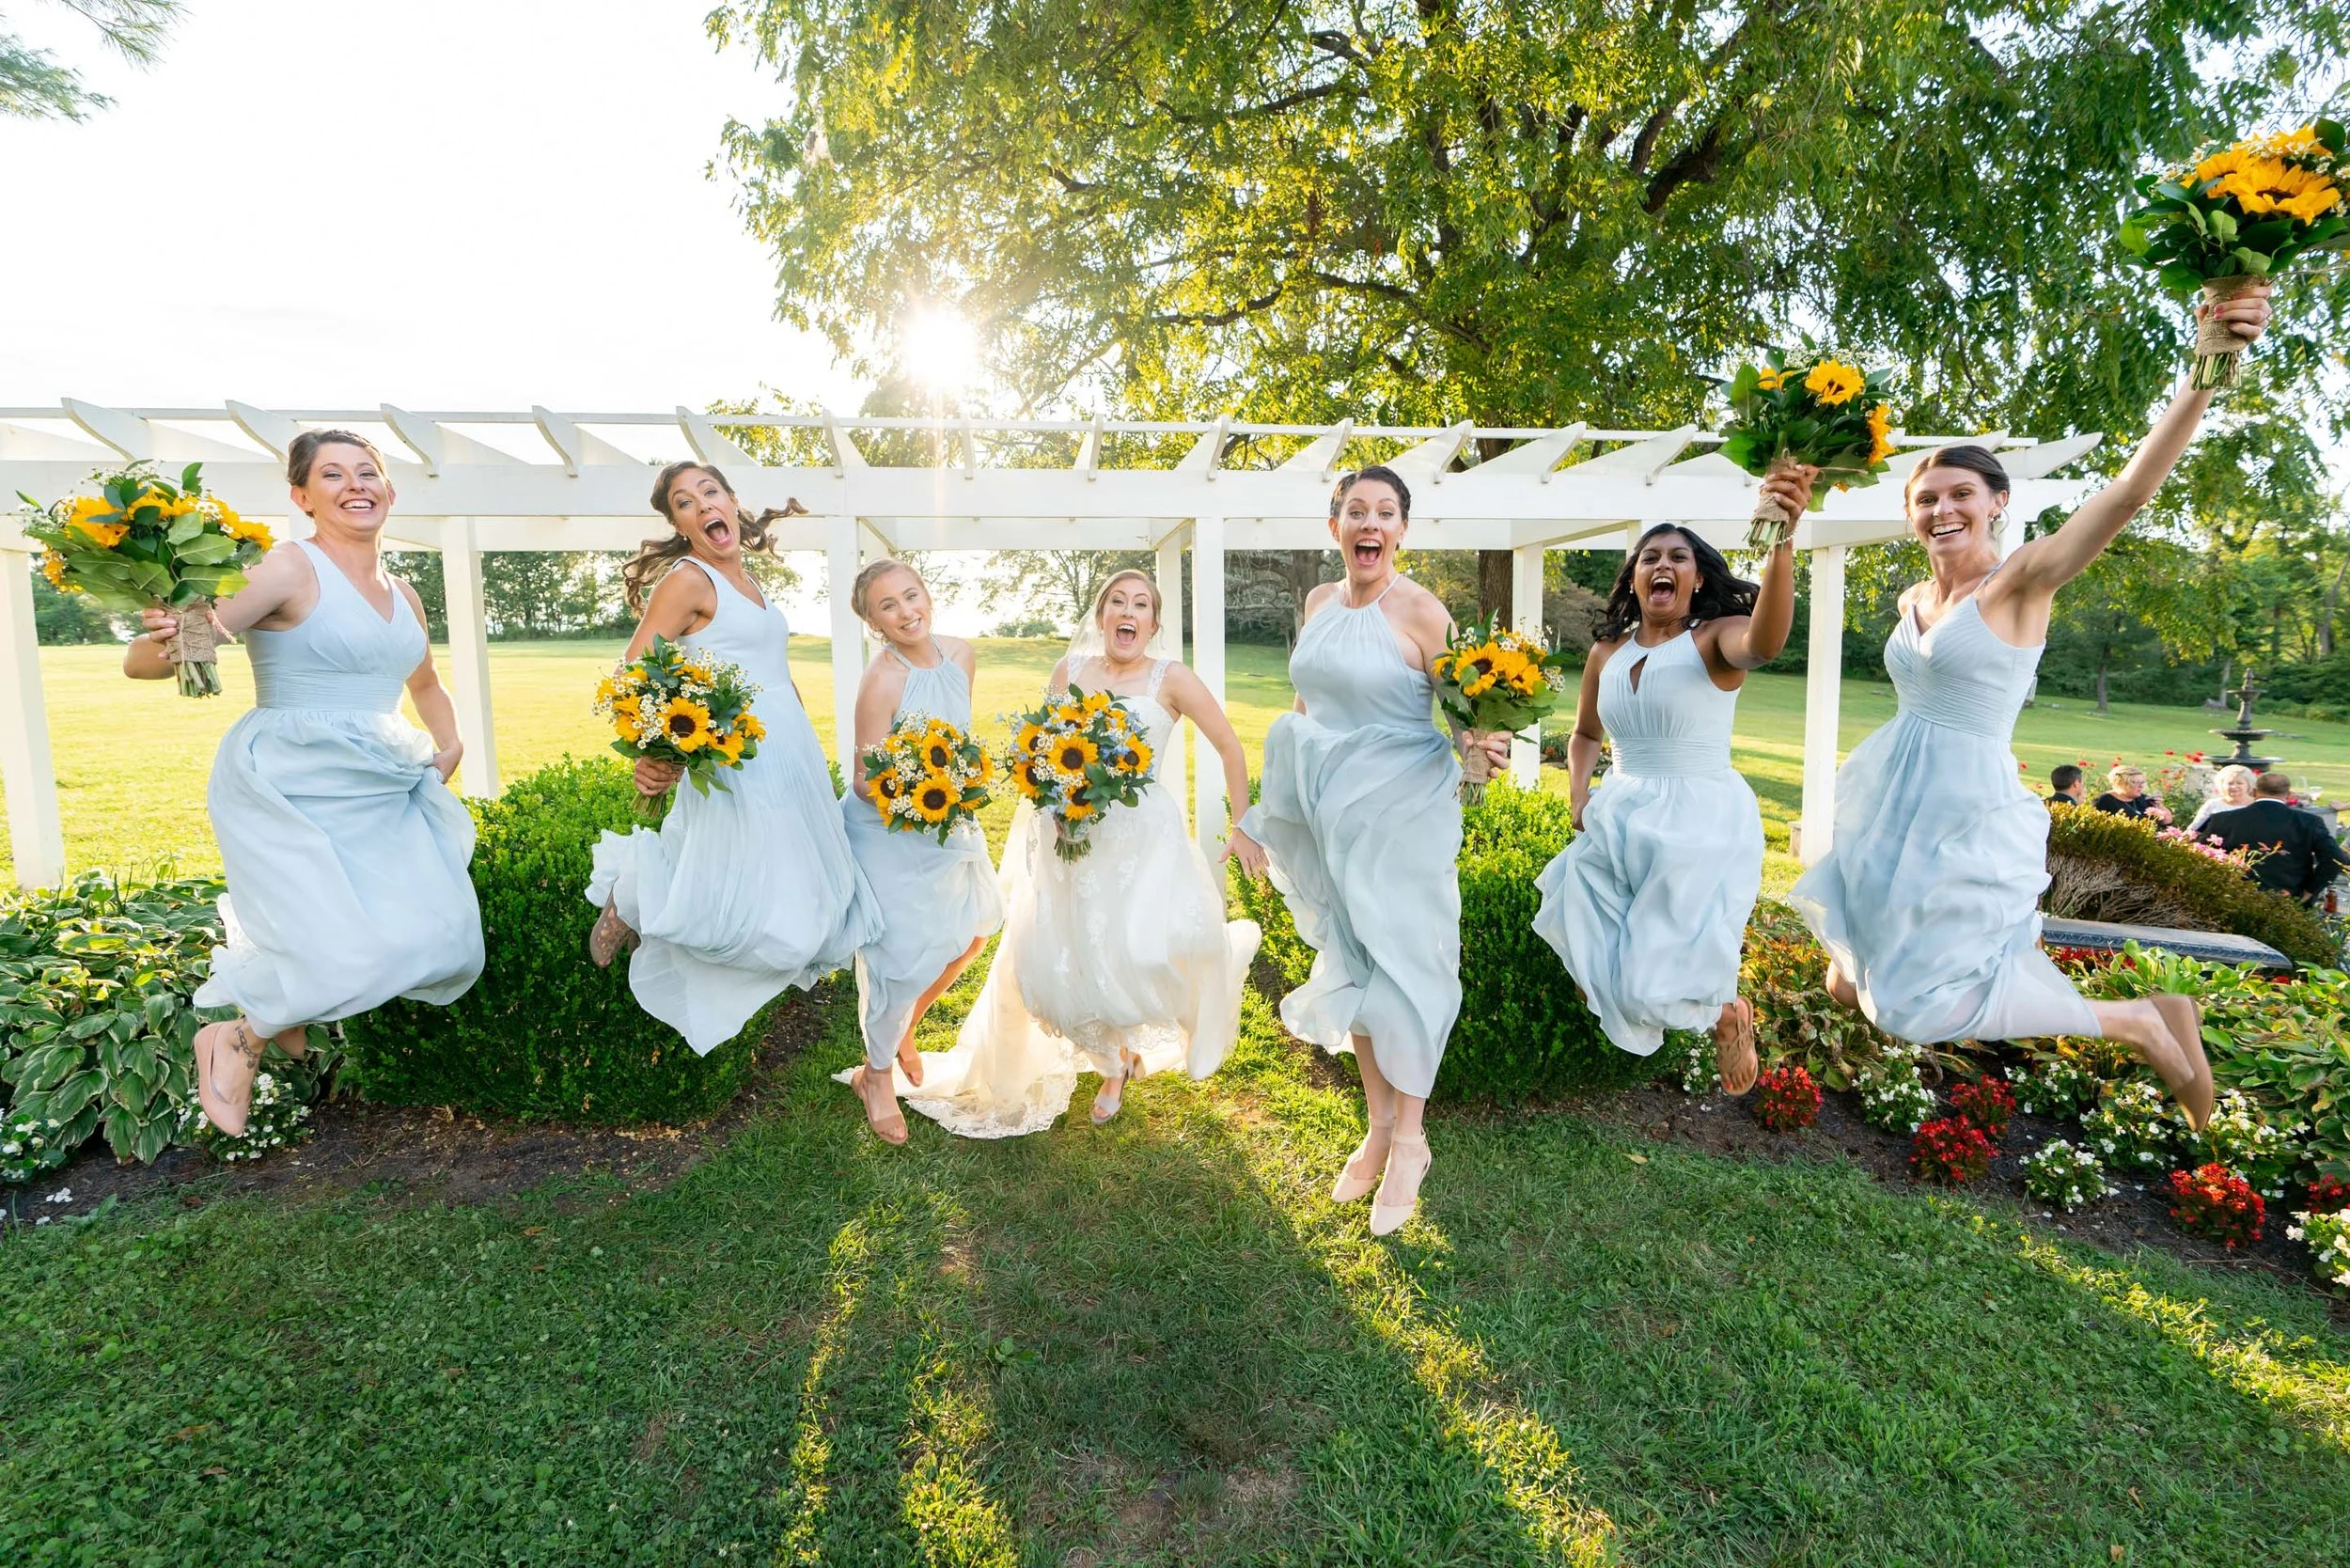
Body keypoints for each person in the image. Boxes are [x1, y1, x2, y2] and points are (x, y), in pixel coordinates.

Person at [1788, 280, 2274, 1134]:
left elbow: (2123, 498)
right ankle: (2146, 1017)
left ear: (1998, 504)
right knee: (1851, 972)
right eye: (1926, 499)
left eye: (1961, 496)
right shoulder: (1911, 597)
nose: (1942, 509)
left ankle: (2142, 1025)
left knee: (1910, 1008)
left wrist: (2208, 366)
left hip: (1964, 809)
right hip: (1893, 794)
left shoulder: (2019, 582)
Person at [132, 430, 482, 1137]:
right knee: (347, 950)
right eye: (332, 475)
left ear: (389, 489)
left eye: (368, 472)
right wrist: (169, 631)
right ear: (302, 496)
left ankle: (289, 1011)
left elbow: (426, 681)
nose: (356, 485)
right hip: (294, 776)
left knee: (450, 944)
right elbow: (151, 661)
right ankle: (239, 1036)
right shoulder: (288, 569)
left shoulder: (404, 592)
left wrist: (450, 745)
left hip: (384, 780)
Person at [887, 570, 1263, 1137]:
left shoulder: (1173, 678)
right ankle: (1112, 1065)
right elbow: (1045, 751)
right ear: (1102, 615)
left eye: (1141, 604)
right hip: (1075, 840)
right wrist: (1056, 805)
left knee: (1141, 951)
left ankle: (1130, 1049)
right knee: (1077, 958)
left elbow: (1229, 744)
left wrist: (1243, 823)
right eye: (1117, 601)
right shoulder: (1071, 671)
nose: (1128, 611)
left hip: (1145, 842)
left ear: (1154, 623)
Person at [1239, 466, 1513, 1235]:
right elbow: (1304, 706)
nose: (1370, 523)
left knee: (1409, 968)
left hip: (1403, 815)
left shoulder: (1425, 612)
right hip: (1332, 815)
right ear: (1336, 528)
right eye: (1355, 510)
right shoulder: (1319, 602)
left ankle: (1414, 1139)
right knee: (1354, 963)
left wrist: (1481, 752)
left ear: (1401, 530)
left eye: (1385, 512)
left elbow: (1469, 718)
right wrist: (1271, 811)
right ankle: (1379, 1126)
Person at [585, 461, 880, 1054]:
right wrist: (660, 752)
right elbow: (633, 674)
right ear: (682, 526)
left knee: (788, 888)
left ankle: (656, 897)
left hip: (786, 745)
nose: (701, 506)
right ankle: (637, 889)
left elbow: (773, 671)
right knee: (744, 896)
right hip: (733, 754)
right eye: (684, 504)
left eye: (709, 492)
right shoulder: (688, 580)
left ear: (732, 502)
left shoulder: (753, 586)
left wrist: (802, 736)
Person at [1531, 476, 1810, 1095]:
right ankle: (1708, 1006)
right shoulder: (1607, 651)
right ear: (1634, 579)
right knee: (1582, 940)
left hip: (1696, 819)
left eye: (1678, 557)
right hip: (1621, 811)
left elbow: (1766, 643)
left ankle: (1725, 1014)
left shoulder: (1714, 638)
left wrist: (1783, 540)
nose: (1663, 565)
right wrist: (1578, 793)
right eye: (1649, 558)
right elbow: (1584, 734)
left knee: (1644, 985)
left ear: (1699, 578)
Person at [834, 558, 1003, 1143]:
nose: (907, 612)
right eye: (889, 606)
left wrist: (955, 783)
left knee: (978, 926)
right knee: (900, 957)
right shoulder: (881, 678)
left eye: (912, 596)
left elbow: (955, 735)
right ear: (873, 622)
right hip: (886, 829)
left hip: (946, 820)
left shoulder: (962, 656)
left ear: (928, 595)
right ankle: (875, 1076)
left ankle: (906, 1026)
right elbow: (862, 775)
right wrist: (912, 793)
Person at [2200, 771, 2350, 904]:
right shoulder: (2309, 822)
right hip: (2288, 898)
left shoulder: (2222, 819)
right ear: (2289, 795)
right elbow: (2335, 858)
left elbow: (2200, 854)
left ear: (2254, 791)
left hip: (2231, 896)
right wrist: (2310, 892)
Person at [2092, 763, 2172, 823]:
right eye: (2135, 782)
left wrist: (2160, 806)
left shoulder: (2143, 799)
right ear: (2120, 783)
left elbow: (2166, 822)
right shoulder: (2104, 801)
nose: (2140, 786)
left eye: (2142, 782)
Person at [2186, 763, 2256, 832]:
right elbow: (2194, 829)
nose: (2234, 786)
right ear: (2221, 785)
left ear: (2248, 784)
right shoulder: (2213, 805)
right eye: (2230, 783)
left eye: (2239, 783)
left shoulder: (2257, 805)